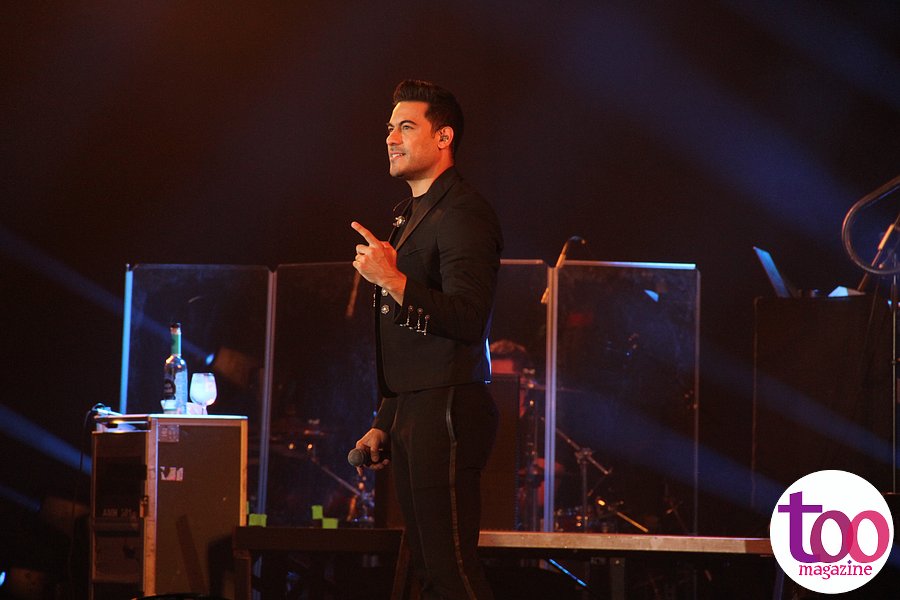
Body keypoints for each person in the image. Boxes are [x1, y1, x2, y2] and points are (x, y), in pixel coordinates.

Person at [351, 79, 503, 599]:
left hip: (449, 407)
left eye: (406, 127)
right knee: (430, 573)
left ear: (443, 137)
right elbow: (414, 339)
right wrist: (386, 419)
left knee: (451, 569)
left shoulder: (463, 211)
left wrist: (392, 280)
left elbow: (468, 317)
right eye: (390, 128)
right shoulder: (409, 213)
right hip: (418, 408)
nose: (391, 138)